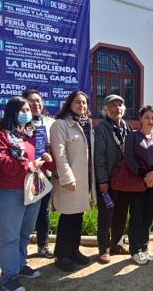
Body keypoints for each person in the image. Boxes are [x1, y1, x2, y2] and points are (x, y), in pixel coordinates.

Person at [0, 97, 54, 291]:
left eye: (28, 108)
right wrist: (28, 166)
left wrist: (47, 158)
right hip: (10, 190)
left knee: (25, 233)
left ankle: (20, 265)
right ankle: (8, 276)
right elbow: (2, 161)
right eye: (23, 109)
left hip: (33, 189)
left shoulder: (33, 133)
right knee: (10, 236)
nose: (27, 112)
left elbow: (43, 160)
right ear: (12, 111)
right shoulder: (1, 133)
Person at [50, 91, 97, 271]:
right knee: (68, 217)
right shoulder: (60, 125)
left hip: (84, 179)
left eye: (84, 103)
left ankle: (74, 251)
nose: (82, 106)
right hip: (70, 180)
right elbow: (59, 155)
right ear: (69, 104)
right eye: (78, 102)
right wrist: (68, 178)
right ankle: (61, 255)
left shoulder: (87, 125)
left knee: (78, 216)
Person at [124, 106, 153, 265]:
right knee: (136, 217)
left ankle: (144, 247)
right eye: (147, 117)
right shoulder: (132, 137)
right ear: (140, 118)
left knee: (148, 217)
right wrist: (144, 175)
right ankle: (135, 251)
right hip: (138, 183)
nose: (150, 121)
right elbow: (129, 159)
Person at [94, 95, 132, 264]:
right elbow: (99, 157)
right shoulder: (102, 128)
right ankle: (104, 248)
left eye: (120, 105)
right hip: (108, 181)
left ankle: (118, 243)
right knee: (106, 214)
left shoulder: (127, 127)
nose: (117, 108)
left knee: (121, 213)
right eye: (113, 105)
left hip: (124, 180)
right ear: (106, 109)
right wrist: (102, 180)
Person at [22, 89, 56, 259]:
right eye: (31, 101)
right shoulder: (19, 124)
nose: (35, 103)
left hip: (45, 173)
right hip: (24, 173)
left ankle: (43, 246)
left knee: (43, 210)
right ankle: (20, 249)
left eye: (38, 100)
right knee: (25, 210)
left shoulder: (51, 122)